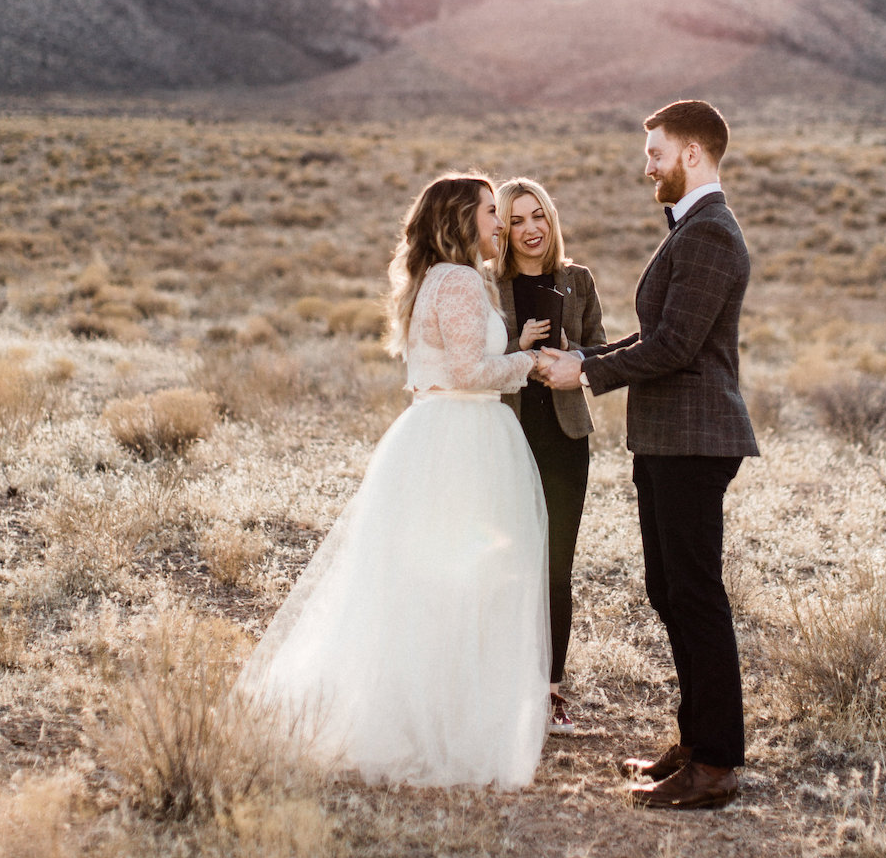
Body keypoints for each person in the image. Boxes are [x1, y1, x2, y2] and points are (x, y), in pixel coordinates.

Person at [239, 174, 551, 789]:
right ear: (462, 220)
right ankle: (443, 726)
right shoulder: (460, 280)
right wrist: (530, 361)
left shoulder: (437, 279)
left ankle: (414, 712)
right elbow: (468, 371)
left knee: (421, 585)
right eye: (491, 212)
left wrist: (509, 351)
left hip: (434, 435)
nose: (500, 224)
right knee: (463, 586)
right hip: (464, 440)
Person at [540, 99, 758, 811]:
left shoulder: (711, 234)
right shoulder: (691, 229)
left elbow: (674, 346)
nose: (648, 167)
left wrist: (589, 373)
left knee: (695, 595)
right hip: (668, 438)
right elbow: (656, 336)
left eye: (657, 154)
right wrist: (583, 356)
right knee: (672, 592)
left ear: (692, 154)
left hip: (695, 441)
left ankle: (718, 762)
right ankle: (696, 743)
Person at [495, 177, 606, 732]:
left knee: (556, 566)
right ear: (502, 228)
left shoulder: (577, 279)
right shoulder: (489, 284)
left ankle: (550, 690)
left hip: (565, 438)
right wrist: (516, 349)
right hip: (504, 435)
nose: (530, 229)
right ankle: (501, 682)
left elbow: (602, 348)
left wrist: (574, 356)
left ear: (551, 218)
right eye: (515, 220)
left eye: (537, 216)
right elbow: (474, 361)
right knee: (507, 562)